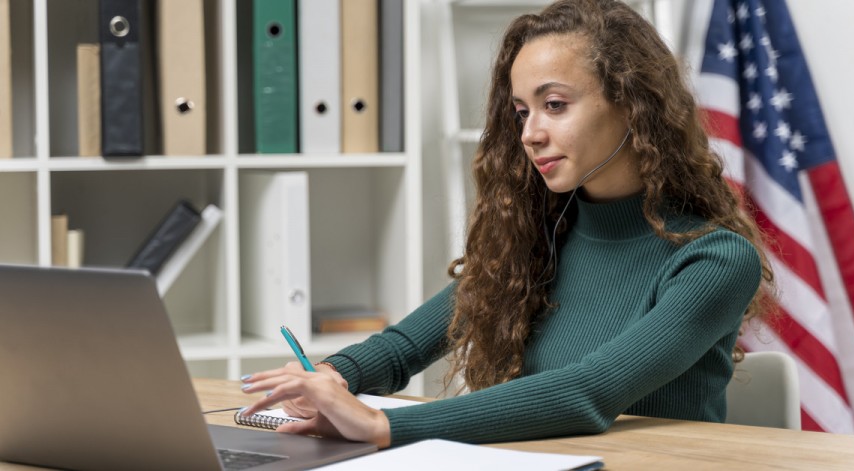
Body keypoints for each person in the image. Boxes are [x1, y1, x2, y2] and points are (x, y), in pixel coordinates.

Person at [239, 0, 775, 449]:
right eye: (522, 112)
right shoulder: (539, 239)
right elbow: (405, 347)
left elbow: (590, 391)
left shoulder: (715, 260)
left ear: (634, 107)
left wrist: (384, 425)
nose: (531, 133)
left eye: (555, 105)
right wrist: (331, 378)